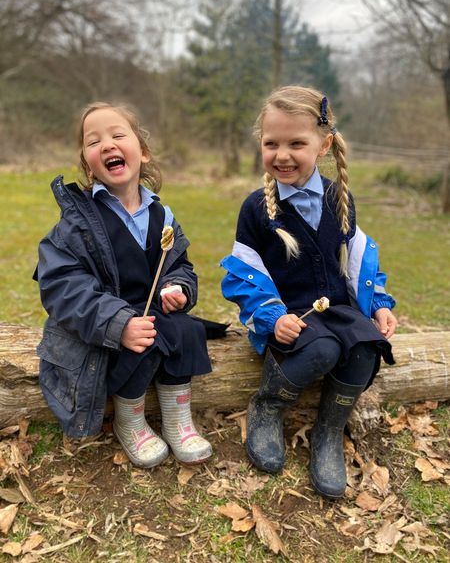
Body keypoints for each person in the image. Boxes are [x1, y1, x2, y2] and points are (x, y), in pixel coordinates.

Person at [220, 86, 397, 499]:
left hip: (336, 309)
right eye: (271, 144)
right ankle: (268, 405)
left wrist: (380, 305)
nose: (282, 155)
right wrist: (270, 317)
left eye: (296, 143)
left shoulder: (341, 199)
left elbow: (358, 261)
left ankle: (329, 431)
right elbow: (245, 273)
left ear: (324, 144)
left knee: (366, 347)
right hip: (290, 315)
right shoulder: (256, 209)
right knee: (322, 350)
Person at [35, 102, 213, 468]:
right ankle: (130, 421)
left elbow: (179, 264)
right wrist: (118, 325)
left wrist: (177, 287)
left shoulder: (162, 215)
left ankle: (179, 421)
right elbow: (63, 285)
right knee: (140, 342)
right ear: (87, 164)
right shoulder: (78, 222)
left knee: (187, 330)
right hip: (104, 329)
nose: (107, 145)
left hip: (151, 316)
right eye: (94, 141)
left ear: (142, 152)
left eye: (118, 135)